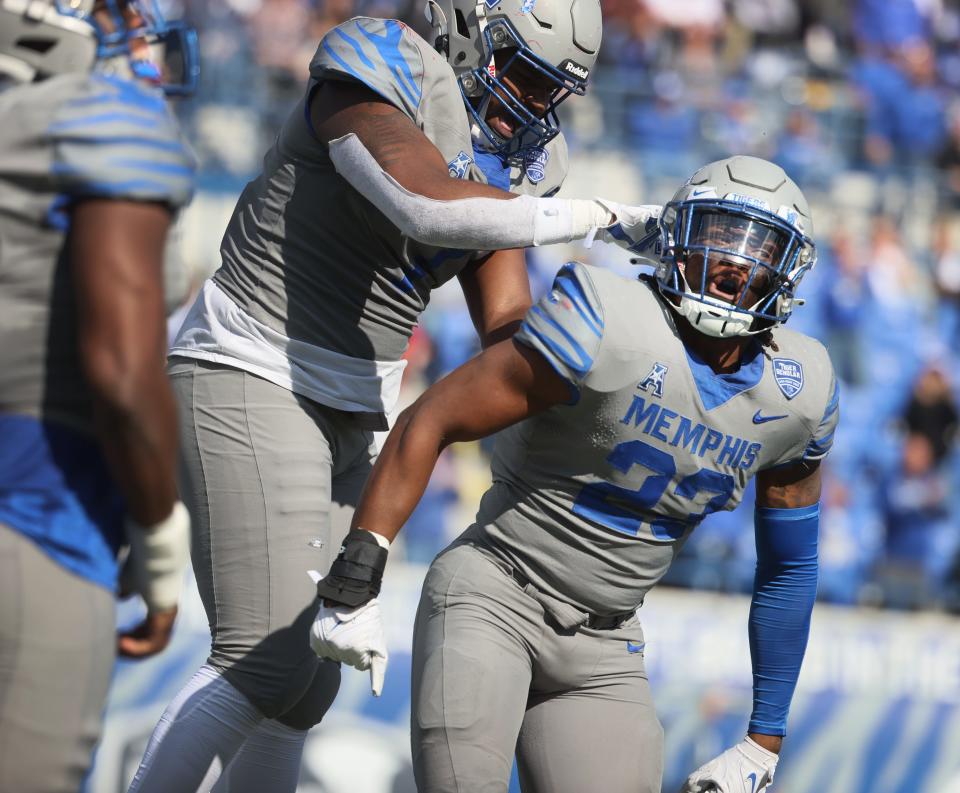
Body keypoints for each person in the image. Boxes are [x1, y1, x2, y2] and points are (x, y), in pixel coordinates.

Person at [128, 0, 657, 790]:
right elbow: (418, 199)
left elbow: (505, 316)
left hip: (354, 400)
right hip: (253, 359)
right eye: (520, 77)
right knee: (261, 658)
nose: (534, 109)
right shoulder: (375, 63)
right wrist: (598, 219)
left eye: (552, 92)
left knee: (306, 683)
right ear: (462, 30)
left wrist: (605, 352)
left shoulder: (519, 161)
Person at [312, 156, 839, 793]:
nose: (734, 261)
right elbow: (432, 417)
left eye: (758, 246)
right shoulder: (607, 318)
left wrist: (763, 740)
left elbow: (789, 567)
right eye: (720, 233)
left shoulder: (799, 394)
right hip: (496, 592)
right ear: (678, 238)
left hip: (607, 638)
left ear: (788, 273)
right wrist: (357, 575)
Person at [0, 2, 198, 791]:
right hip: (34, 517)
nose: (144, 49)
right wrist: (156, 538)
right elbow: (122, 372)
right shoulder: (102, 117)